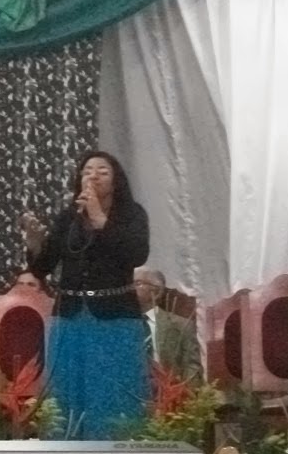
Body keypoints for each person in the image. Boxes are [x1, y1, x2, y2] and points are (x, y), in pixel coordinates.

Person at [21, 151, 150, 439]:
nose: (93, 176)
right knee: (67, 390)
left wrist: (100, 218)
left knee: (112, 390)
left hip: (115, 317)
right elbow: (42, 268)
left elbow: (137, 254)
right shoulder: (69, 217)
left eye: (102, 171)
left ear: (115, 181)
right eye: (87, 171)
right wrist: (35, 244)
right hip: (69, 316)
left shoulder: (132, 214)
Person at [134, 266, 202, 383]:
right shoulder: (120, 326)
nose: (130, 289)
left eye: (137, 283)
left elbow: (192, 369)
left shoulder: (181, 326)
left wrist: (186, 393)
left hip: (170, 390)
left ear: (156, 291)